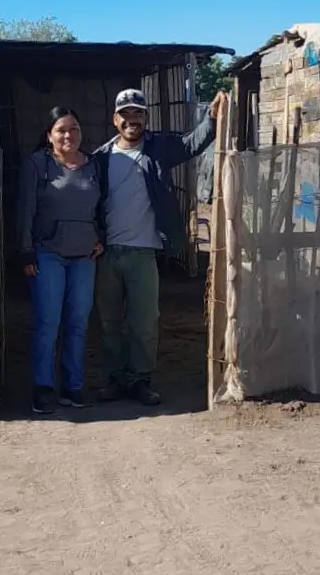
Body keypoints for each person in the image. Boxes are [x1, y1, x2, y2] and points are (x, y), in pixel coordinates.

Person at [93, 87, 227, 405]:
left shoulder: (159, 148)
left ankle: (140, 379)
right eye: (126, 114)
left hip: (144, 252)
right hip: (107, 253)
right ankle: (115, 378)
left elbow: (191, 143)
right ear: (115, 119)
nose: (132, 120)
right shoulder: (101, 158)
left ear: (146, 117)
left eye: (138, 113)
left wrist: (211, 119)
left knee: (144, 322)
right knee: (109, 322)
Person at [17, 106, 104, 415]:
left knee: (78, 323)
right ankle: (43, 387)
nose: (69, 135)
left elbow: (103, 207)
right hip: (47, 254)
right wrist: (25, 251)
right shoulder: (37, 165)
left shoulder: (93, 165)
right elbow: (25, 210)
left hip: (84, 256)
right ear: (49, 135)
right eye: (62, 130)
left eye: (74, 129)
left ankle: (72, 386)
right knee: (48, 322)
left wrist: (101, 238)